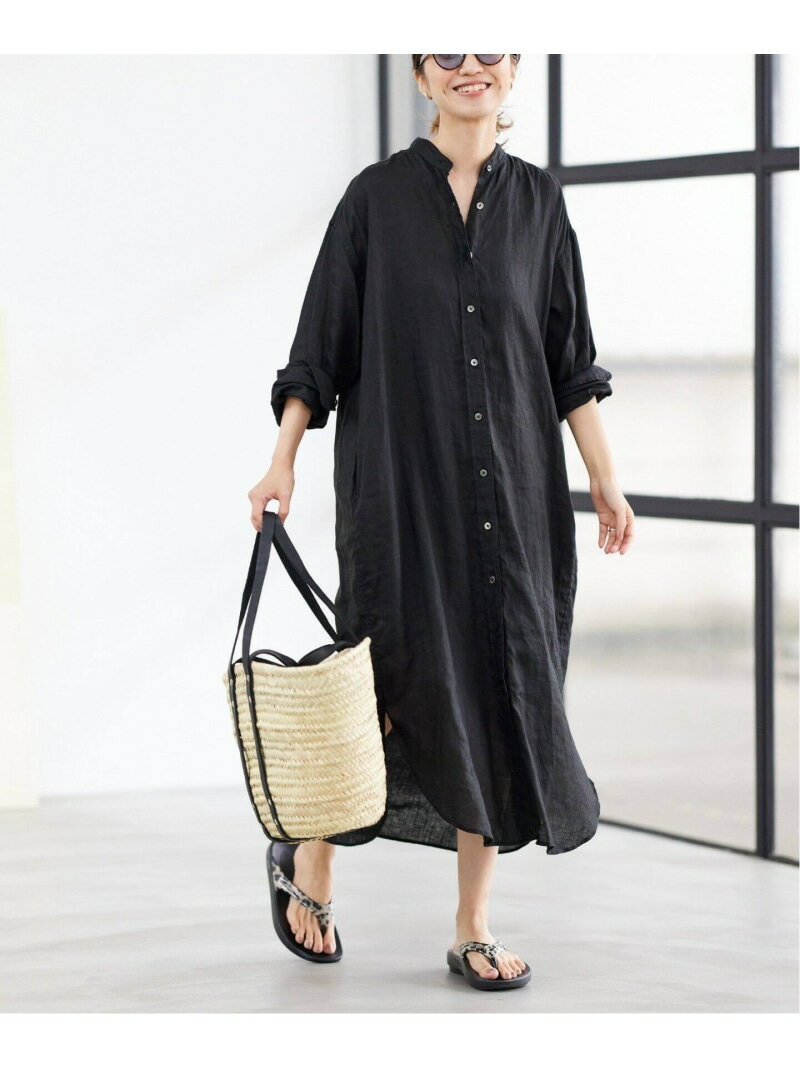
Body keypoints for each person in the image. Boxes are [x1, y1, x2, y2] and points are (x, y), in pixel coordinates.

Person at [248, 54, 635, 990]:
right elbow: (319, 348)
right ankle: (312, 861)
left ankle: (473, 924)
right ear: (423, 77)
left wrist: (605, 479)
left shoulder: (540, 205)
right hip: (398, 491)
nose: (471, 67)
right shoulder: (374, 201)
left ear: (513, 69)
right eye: (447, 53)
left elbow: (569, 363)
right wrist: (282, 460)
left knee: (498, 689)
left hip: (513, 496)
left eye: (488, 49)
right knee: (379, 683)